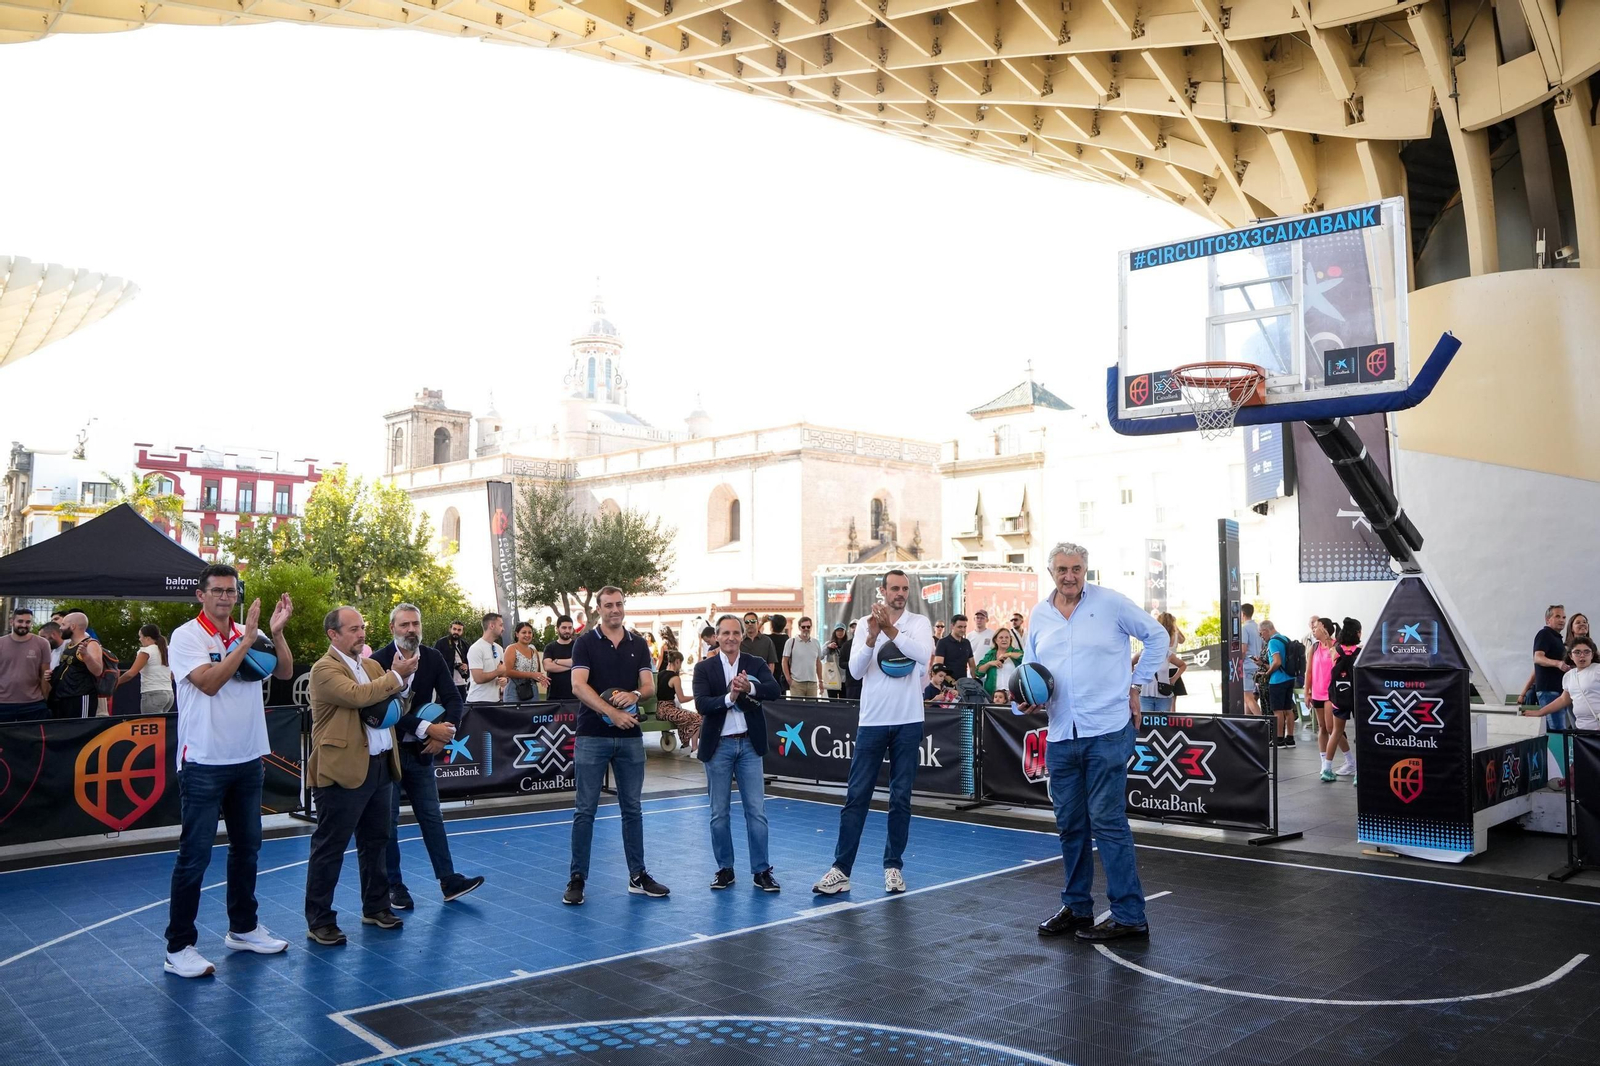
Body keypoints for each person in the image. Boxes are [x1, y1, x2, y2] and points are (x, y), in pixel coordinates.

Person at [1024, 542, 1168, 943]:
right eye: (1061, 569)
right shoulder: (1039, 614)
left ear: (1086, 569)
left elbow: (1158, 637)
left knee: (1107, 823)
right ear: (1050, 571)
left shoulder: (1112, 603)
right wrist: (1026, 697)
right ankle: (1077, 907)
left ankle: (1129, 915)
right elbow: (1029, 667)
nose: (1069, 576)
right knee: (1070, 825)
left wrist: (1137, 685)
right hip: (1060, 734)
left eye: (1076, 568)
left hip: (1106, 729)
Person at [162, 564, 295, 978]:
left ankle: (243, 928)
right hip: (204, 760)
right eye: (217, 591)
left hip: (247, 758)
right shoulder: (187, 636)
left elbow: (285, 672)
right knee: (195, 857)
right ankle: (178, 947)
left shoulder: (245, 632)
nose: (225, 597)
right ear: (200, 595)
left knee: (247, 849)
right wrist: (247, 639)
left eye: (231, 591)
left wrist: (274, 633)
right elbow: (209, 683)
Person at [813, 569, 934, 896]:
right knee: (857, 796)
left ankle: (893, 867)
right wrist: (870, 638)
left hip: (908, 721)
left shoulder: (918, 623)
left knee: (900, 798)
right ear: (882, 590)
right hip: (872, 722)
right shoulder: (867, 623)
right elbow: (854, 671)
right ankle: (841, 869)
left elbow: (924, 655)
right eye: (894, 588)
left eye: (904, 588)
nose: (900, 593)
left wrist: (891, 630)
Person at [304, 606, 414, 946]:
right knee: (331, 846)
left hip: (380, 764)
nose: (362, 634)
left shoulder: (371, 666)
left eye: (362, 627)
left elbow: (394, 706)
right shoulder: (324, 669)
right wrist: (395, 678)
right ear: (333, 634)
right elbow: (358, 696)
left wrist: (403, 683)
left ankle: (376, 906)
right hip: (342, 769)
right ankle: (320, 920)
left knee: (376, 841)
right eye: (353, 629)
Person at [370, 604, 484, 911]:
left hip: (421, 754)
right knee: (387, 823)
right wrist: (427, 729)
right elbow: (381, 711)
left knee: (432, 817)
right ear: (392, 627)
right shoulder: (377, 661)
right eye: (405, 624)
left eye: (415, 624)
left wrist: (446, 731)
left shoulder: (432, 657)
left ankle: (448, 880)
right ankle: (394, 885)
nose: (411, 630)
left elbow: (453, 698)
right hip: (388, 753)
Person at [564, 585, 667, 905]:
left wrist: (634, 696)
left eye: (619, 604)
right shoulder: (584, 643)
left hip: (630, 739)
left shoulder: (638, 643)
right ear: (599, 609)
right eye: (608, 605)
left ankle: (638, 875)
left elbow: (649, 685)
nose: (614, 609)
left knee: (632, 809)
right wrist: (611, 712)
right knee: (585, 810)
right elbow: (578, 686)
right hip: (592, 736)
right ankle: (577, 878)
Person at [693, 614, 783, 891]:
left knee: (756, 812)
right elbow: (702, 705)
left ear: (742, 636)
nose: (731, 637)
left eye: (736, 633)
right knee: (718, 813)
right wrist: (730, 698)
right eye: (725, 633)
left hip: (749, 746)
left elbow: (774, 690)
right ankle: (725, 869)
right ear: (716, 636)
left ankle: (761, 871)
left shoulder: (754, 664)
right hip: (718, 746)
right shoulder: (704, 669)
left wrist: (750, 687)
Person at [1524, 636, 1600, 732]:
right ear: (1570, 656)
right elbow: (1563, 699)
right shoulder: (1569, 676)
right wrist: (1541, 712)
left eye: (1587, 652)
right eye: (1577, 652)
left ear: (1592, 654)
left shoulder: (1597, 670)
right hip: (1582, 730)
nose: (1582, 655)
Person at [1321, 618, 1360, 779]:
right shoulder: (1360, 651)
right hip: (1357, 696)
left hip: (1338, 695)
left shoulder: (1335, 651)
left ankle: (1327, 770)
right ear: (1357, 633)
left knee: (1336, 731)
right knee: (1361, 733)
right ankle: (1359, 774)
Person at [47, 611, 104, 719]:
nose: (60, 628)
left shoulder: (91, 644)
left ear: (72, 626)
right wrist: (52, 675)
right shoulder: (69, 645)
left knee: (80, 729)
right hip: (63, 697)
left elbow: (98, 671)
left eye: (63, 625)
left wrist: (86, 656)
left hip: (80, 696)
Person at [0, 607, 52, 721]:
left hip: (33, 703)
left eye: (28, 622)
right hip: (3, 703)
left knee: (35, 738)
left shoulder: (42, 643)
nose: (24, 625)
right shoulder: (1, 643)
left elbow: (45, 674)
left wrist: (44, 699)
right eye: (20, 621)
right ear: (11, 622)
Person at [117, 623, 175, 714]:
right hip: (169, 694)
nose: (140, 639)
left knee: (150, 725)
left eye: (141, 636)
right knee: (161, 726)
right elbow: (172, 675)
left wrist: (116, 682)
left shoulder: (145, 651)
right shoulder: (167, 650)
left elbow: (131, 673)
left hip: (152, 693)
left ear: (147, 638)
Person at [1308, 618, 1341, 780]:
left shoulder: (1335, 646)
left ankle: (1348, 760)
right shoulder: (1313, 647)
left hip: (1330, 693)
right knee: (1322, 727)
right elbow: (1308, 671)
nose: (1314, 630)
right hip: (1317, 692)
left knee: (1331, 728)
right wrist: (1307, 692)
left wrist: (1329, 641)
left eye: (1316, 627)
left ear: (1325, 629)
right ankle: (1324, 763)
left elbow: (1337, 664)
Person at [1135, 614, 1186, 714]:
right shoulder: (1174, 634)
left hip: (1168, 666)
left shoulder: (1159, 634)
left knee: (1167, 699)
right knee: (1172, 701)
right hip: (1172, 668)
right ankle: (1172, 717)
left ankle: (1170, 719)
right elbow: (1182, 640)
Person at [655, 650, 701, 754]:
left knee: (685, 717)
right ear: (677, 661)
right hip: (668, 709)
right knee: (697, 718)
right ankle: (694, 748)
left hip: (660, 709)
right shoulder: (675, 678)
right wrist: (695, 696)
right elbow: (682, 699)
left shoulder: (661, 674)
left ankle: (685, 746)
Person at [1260, 621, 1295, 746]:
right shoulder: (1285, 638)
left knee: (1277, 711)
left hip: (1277, 680)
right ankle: (1290, 738)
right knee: (1288, 709)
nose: (1261, 636)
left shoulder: (1273, 642)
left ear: (1266, 630)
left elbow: (1277, 662)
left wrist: (1267, 673)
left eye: (1261, 633)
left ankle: (1278, 739)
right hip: (1290, 678)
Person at [503, 622, 550, 702]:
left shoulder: (534, 651)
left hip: (532, 691)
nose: (527, 635)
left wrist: (541, 678)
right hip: (515, 690)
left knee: (532, 713)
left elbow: (537, 672)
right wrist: (531, 675)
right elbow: (507, 672)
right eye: (524, 632)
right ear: (517, 634)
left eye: (530, 632)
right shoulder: (511, 648)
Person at [467, 612, 506, 704]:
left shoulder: (499, 648)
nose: (503, 629)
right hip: (478, 702)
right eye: (500, 625)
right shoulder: (476, 648)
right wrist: (498, 672)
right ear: (491, 626)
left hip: (496, 700)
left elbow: (502, 672)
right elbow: (478, 678)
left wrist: (504, 679)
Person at [783, 616, 825, 698]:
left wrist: (820, 680)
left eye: (808, 626)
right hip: (797, 683)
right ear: (799, 628)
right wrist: (788, 679)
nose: (806, 628)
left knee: (812, 709)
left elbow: (818, 662)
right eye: (803, 627)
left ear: (811, 627)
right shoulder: (791, 642)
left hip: (812, 683)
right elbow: (784, 661)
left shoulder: (816, 643)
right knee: (797, 709)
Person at [976, 626, 1023, 698]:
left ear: (1010, 639)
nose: (1004, 640)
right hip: (994, 696)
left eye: (1007, 637)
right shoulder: (990, 654)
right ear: (995, 640)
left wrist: (1009, 654)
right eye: (1001, 637)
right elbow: (978, 672)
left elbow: (1026, 659)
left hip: (1013, 695)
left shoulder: (1015, 652)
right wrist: (989, 663)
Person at [434, 620, 471, 704]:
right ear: (450, 629)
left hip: (461, 682)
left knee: (462, 706)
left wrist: (466, 666)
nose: (456, 632)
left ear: (462, 631)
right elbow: (435, 661)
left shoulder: (465, 644)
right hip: (446, 682)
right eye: (454, 629)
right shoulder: (441, 643)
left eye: (459, 630)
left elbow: (470, 660)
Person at [543, 615, 578, 702]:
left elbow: (580, 662)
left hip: (575, 695)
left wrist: (557, 661)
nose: (567, 630)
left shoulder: (578, 646)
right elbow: (548, 667)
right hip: (554, 696)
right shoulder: (550, 647)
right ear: (557, 629)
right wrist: (572, 665)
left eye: (570, 628)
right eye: (564, 628)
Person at [933, 613, 976, 679]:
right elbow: (939, 667)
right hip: (946, 685)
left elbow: (972, 666)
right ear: (952, 626)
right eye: (960, 627)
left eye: (965, 627)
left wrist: (975, 681)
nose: (963, 630)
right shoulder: (942, 642)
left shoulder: (966, 642)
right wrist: (952, 682)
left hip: (963, 684)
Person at [740, 613, 778, 679]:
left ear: (757, 623)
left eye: (752, 621)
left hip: (762, 679)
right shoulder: (739, 641)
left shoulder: (767, 641)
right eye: (747, 622)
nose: (750, 624)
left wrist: (768, 679)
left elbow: (771, 663)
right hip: (742, 680)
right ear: (744, 624)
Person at [1240, 603, 1262, 716]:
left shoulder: (1244, 629)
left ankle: (1263, 722)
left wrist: (1239, 663)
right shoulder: (1258, 627)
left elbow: (1243, 649)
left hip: (1247, 666)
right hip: (1257, 666)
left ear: (1242, 614)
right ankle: (1248, 721)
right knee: (1252, 697)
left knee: (1247, 697)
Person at [823, 624, 848, 697]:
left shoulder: (847, 644)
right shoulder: (828, 643)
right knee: (832, 701)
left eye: (841, 630)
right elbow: (820, 656)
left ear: (845, 632)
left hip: (844, 679)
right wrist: (828, 647)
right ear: (834, 632)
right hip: (832, 678)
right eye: (838, 630)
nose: (840, 632)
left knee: (843, 703)